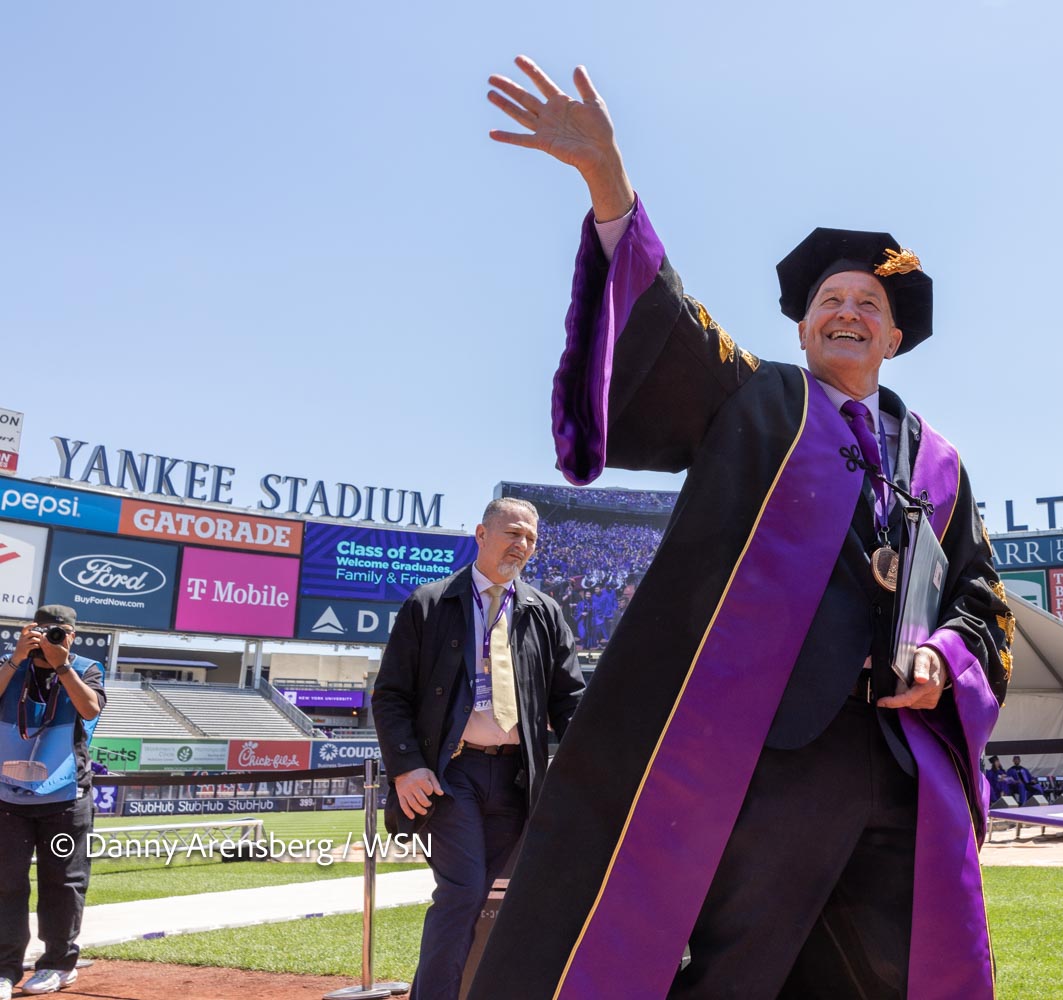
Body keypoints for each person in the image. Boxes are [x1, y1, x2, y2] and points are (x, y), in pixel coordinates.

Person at [472, 55, 1012, 999]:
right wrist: (610, 187)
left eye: (868, 306)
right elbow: (669, 332)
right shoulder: (761, 403)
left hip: (902, 762)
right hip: (774, 756)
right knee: (742, 972)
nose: (847, 312)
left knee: (892, 974)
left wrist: (945, 660)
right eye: (829, 303)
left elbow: (981, 600)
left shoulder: (940, 464)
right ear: (804, 329)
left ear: (893, 338)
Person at [372, 498, 585, 999]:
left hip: (516, 780)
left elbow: (570, 702)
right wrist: (407, 768)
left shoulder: (545, 612)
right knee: (463, 893)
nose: (522, 545)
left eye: (531, 538)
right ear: (481, 534)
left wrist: (592, 769)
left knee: (480, 900)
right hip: (451, 774)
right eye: (513, 532)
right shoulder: (429, 603)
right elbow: (391, 696)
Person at [0, 606, 104, 998]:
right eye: (43, 631)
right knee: (5, 885)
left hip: (65, 799)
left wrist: (62, 667)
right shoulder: (11, 665)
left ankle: (59, 964)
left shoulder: (87, 668)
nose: (50, 639)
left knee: (63, 884)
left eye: (58, 633)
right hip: (7, 798)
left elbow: (91, 707)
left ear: (73, 636)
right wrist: (16, 659)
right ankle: (5, 968)